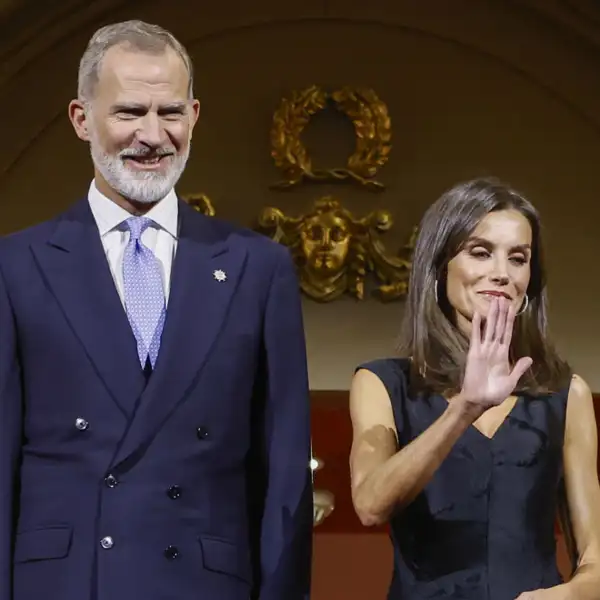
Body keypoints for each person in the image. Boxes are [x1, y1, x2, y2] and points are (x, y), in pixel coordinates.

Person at [0, 20, 313, 600]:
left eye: (170, 112)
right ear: (81, 119)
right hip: (65, 584)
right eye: (128, 112)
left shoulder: (257, 267)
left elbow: (284, 473)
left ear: (194, 116)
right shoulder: (16, 267)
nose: (152, 134)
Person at [349, 178, 600, 600]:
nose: (501, 273)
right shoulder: (382, 384)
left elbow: (594, 558)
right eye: (480, 252)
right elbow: (371, 504)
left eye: (518, 258)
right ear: (440, 266)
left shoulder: (564, 394)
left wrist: (568, 595)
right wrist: (464, 408)